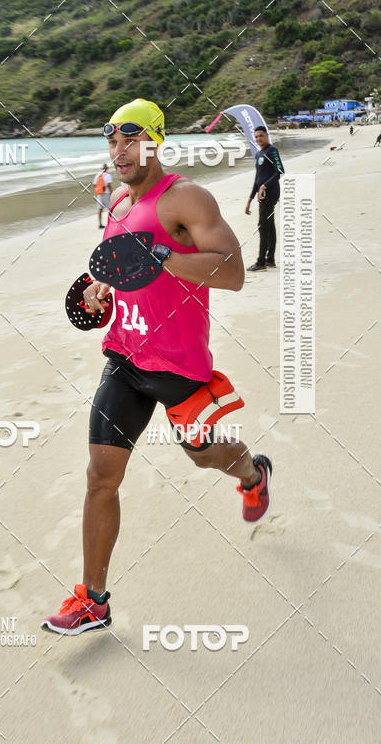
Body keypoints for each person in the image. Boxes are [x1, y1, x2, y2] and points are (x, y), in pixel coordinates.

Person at [42, 98, 272, 636]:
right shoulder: (119, 203)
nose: (118, 149)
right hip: (125, 356)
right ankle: (92, 600)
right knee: (101, 474)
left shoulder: (187, 197)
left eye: (129, 137)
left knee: (204, 456)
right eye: (111, 139)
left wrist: (163, 257)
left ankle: (253, 472)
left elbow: (233, 272)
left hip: (179, 366)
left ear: (153, 141)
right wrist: (103, 292)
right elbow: (124, 272)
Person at [245, 126, 284, 271]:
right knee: (269, 225)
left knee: (262, 226)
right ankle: (270, 260)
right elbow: (258, 178)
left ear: (267, 136)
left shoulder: (272, 151)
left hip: (271, 193)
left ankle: (261, 262)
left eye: (261, 136)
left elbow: (280, 171)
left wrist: (264, 187)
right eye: (256, 137)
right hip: (262, 194)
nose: (258, 139)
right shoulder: (259, 153)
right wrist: (250, 199)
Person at [93, 163, 113, 228]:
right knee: (110, 209)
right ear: (107, 168)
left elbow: (94, 184)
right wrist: (111, 193)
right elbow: (109, 185)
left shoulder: (97, 175)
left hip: (99, 193)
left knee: (100, 209)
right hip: (106, 193)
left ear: (101, 169)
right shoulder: (108, 175)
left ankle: (100, 224)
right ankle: (111, 222)